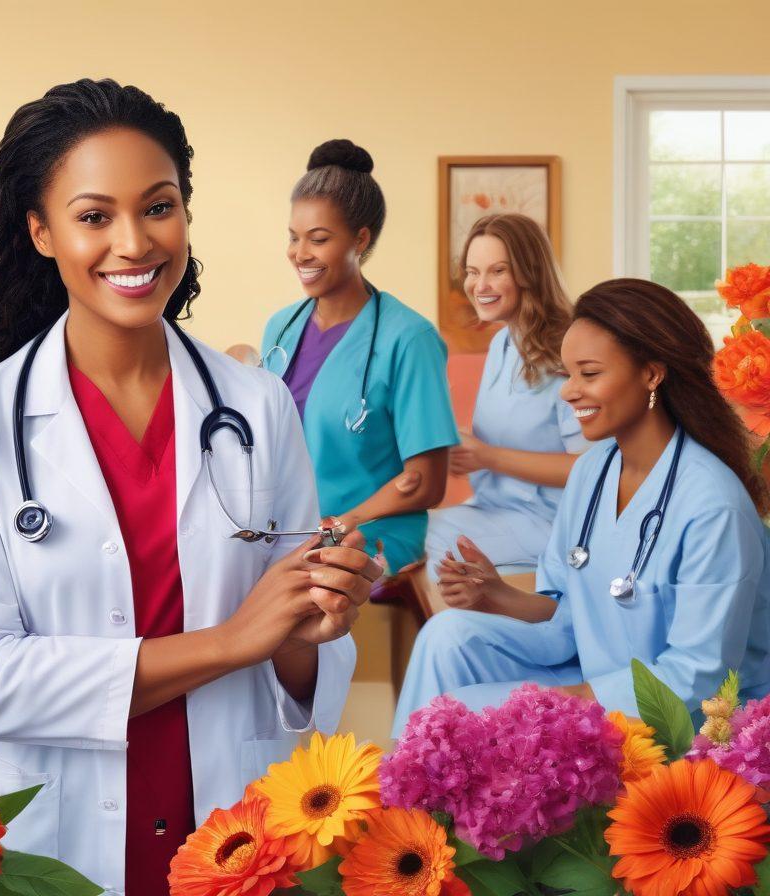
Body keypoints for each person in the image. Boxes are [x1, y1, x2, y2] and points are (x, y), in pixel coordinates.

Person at [0, 80, 378, 894]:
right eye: (94, 216)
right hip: (56, 841)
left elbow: (300, 661)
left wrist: (317, 620)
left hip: (234, 831)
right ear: (41, 232)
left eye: (158, 207)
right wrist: (232, 640)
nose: (134, 242)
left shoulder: (257, 407)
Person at [392, 278, 770, 739]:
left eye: (588, 374)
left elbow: (696, 676)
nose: (568, 392)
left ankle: (429, 799)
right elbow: (569, 618)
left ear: (652, 374)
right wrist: (496, 595)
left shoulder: (713, 507)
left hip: (681, 722)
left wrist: (565, 702)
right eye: (568, 374)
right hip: (597, 679)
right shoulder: (591, 473)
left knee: (462, 713)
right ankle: (411, 801)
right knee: (446, 636)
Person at [260, 139, 457, 577]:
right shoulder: (281, 328)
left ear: (360, 239)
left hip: (370, 531)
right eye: (294, 237)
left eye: (319, 239)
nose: (300, 253)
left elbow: (427, 481)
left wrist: (343, 522)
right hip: (292, 528)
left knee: (307, 593)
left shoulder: (410, 339)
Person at [424, 213, 592, 582]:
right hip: (493, 508)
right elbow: (510, 430)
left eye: (497, 270)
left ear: (528, 273)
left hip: (554, 524)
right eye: (472, 271)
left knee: (422, 542)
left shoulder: (569, 351)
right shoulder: (503, 342)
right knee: (401, 529)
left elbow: (594, 468)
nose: (479, 284)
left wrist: (486, 456)